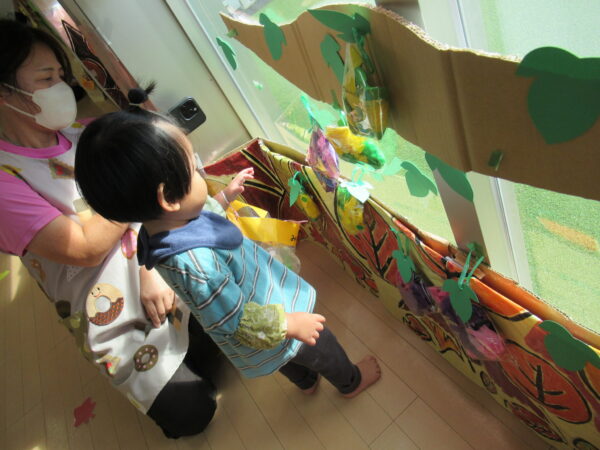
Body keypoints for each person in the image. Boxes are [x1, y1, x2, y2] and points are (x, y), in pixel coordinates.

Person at [0, 18, 220, 438]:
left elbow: (162, 187)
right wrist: (134, 182)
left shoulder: (85, 133)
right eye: (45, 79)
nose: (61, 88)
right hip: (112, 314)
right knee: (193, 413)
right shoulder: (6, 179)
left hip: (160, 267)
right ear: (4, 92)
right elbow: (84, 248)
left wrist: (150, 266)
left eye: (61, 76)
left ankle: (196, 330)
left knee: (222, 339)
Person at [74, 108, 382, 398]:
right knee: (319, 344)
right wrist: (290, 324)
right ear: (167, 197)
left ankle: (307, 382)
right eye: (193, 169)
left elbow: (203, 216)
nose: (201, 172)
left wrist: (225, 196)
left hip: (260, 319)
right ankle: (351, 381)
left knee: (287, 360)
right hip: (266, 322)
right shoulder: (196, 265)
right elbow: (237, 320)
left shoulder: (161, 226)